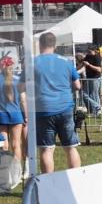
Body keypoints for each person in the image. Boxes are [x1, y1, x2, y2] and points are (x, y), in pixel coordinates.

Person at [33, 31, 81, 173]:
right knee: (71, 147)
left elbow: (22, 86)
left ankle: (48, 184)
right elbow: (77, 85)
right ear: (55, 45)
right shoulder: (66, 61)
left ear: (40, 44)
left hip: (44, 109)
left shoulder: (34, 62)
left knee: (47, 149)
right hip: (65, 107)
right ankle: (76, 180)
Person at [0, 56, 27, 165]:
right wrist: (26, 116)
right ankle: (16, 171)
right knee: (16, 145)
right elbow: (23, 100)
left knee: (4, 144)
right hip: (16, 115)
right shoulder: (18, 80)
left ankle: (4, 170)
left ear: (2, 65)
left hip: (0, 115)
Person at [82, 46, 102, 115]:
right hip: (88, 78)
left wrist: (89, 65)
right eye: (88, 51)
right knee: (84, 95)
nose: (88, 52)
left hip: (95, 78)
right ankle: (95, 108)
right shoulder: (87, 56)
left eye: (90, 51)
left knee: (94, 95)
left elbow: (99, 69)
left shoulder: (97, 57)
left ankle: (97, 110)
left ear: (95, 51)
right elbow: (82, 64)